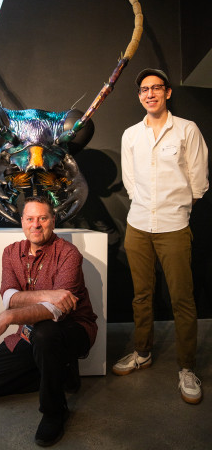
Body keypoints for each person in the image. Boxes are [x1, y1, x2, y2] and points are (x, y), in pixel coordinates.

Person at [112, 68, 209, 404]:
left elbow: (198, 182)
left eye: (156, 88)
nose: (149, 93)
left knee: (182, 299)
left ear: (167, 92)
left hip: (174, 226)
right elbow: (129, 181)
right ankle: (143, 352)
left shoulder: (187, 130)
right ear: (139, 96)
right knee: (141, 295)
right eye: (143, 89)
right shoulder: (130, 135)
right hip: (138, 225)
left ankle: (186, 367)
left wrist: (176, 208)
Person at [0, 196, 98, 446]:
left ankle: (54, 411)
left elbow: (55, 309)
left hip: (73, 329)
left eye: (42, 218)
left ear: (53, 221)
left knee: (45, 332)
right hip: (30, 332)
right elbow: (8, 295)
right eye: (30, 219)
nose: (36, 225)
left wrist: (9, 316)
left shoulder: (68, 254)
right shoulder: (11, 253)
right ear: (22, 222)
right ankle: (61, 372)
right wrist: (46, 293)